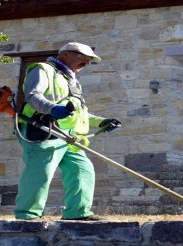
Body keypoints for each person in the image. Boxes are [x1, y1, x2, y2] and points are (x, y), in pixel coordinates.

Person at [14, 42, 121, 220]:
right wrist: (52, 109)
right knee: (40, 172)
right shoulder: (42, 69)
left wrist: (102, 122)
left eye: (89, 60)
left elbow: (78, 113)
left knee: (82, 170)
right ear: (64, 54)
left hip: (69, 136)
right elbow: (33, 95)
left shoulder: (71, 80)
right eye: (82, 58)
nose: (86, 63)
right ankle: (27, 216)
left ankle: (78, 213)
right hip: (43, 129)